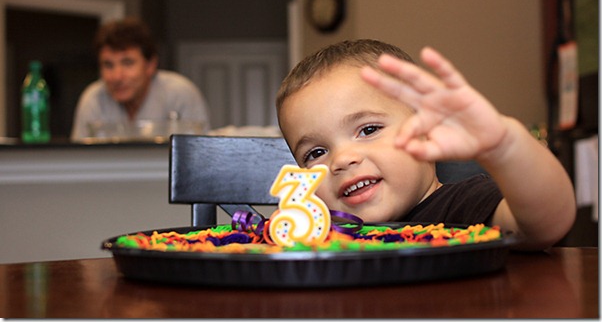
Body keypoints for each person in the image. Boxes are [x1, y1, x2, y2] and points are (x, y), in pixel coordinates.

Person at [276, 39, 576, 251]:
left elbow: (546, 224)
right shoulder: (325, 234)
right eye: (316, 153)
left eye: (368, 129)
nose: (341, 159)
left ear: (427, 130)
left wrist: (505, 146)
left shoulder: (464, 207)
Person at [71, 17, 210, 141]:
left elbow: (199, 154)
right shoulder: (93, 99)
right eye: (108, 65)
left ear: (150, 65)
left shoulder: (180, 94)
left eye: (127, 63)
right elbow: (79, 159)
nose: (117, 77)